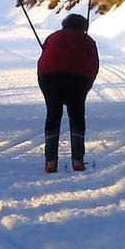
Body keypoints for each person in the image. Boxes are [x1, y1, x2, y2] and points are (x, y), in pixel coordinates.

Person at [37, 14, 99, 173]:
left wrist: (44, 84)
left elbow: (42, 61)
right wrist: (85, 87)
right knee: (77, 116)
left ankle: (50, 162)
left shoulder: (52, 37)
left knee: (53, 115)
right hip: (77, 80)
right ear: (83, 28)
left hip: (48, 78)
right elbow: (93, 66)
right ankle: (77, 160)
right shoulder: (88, 41)